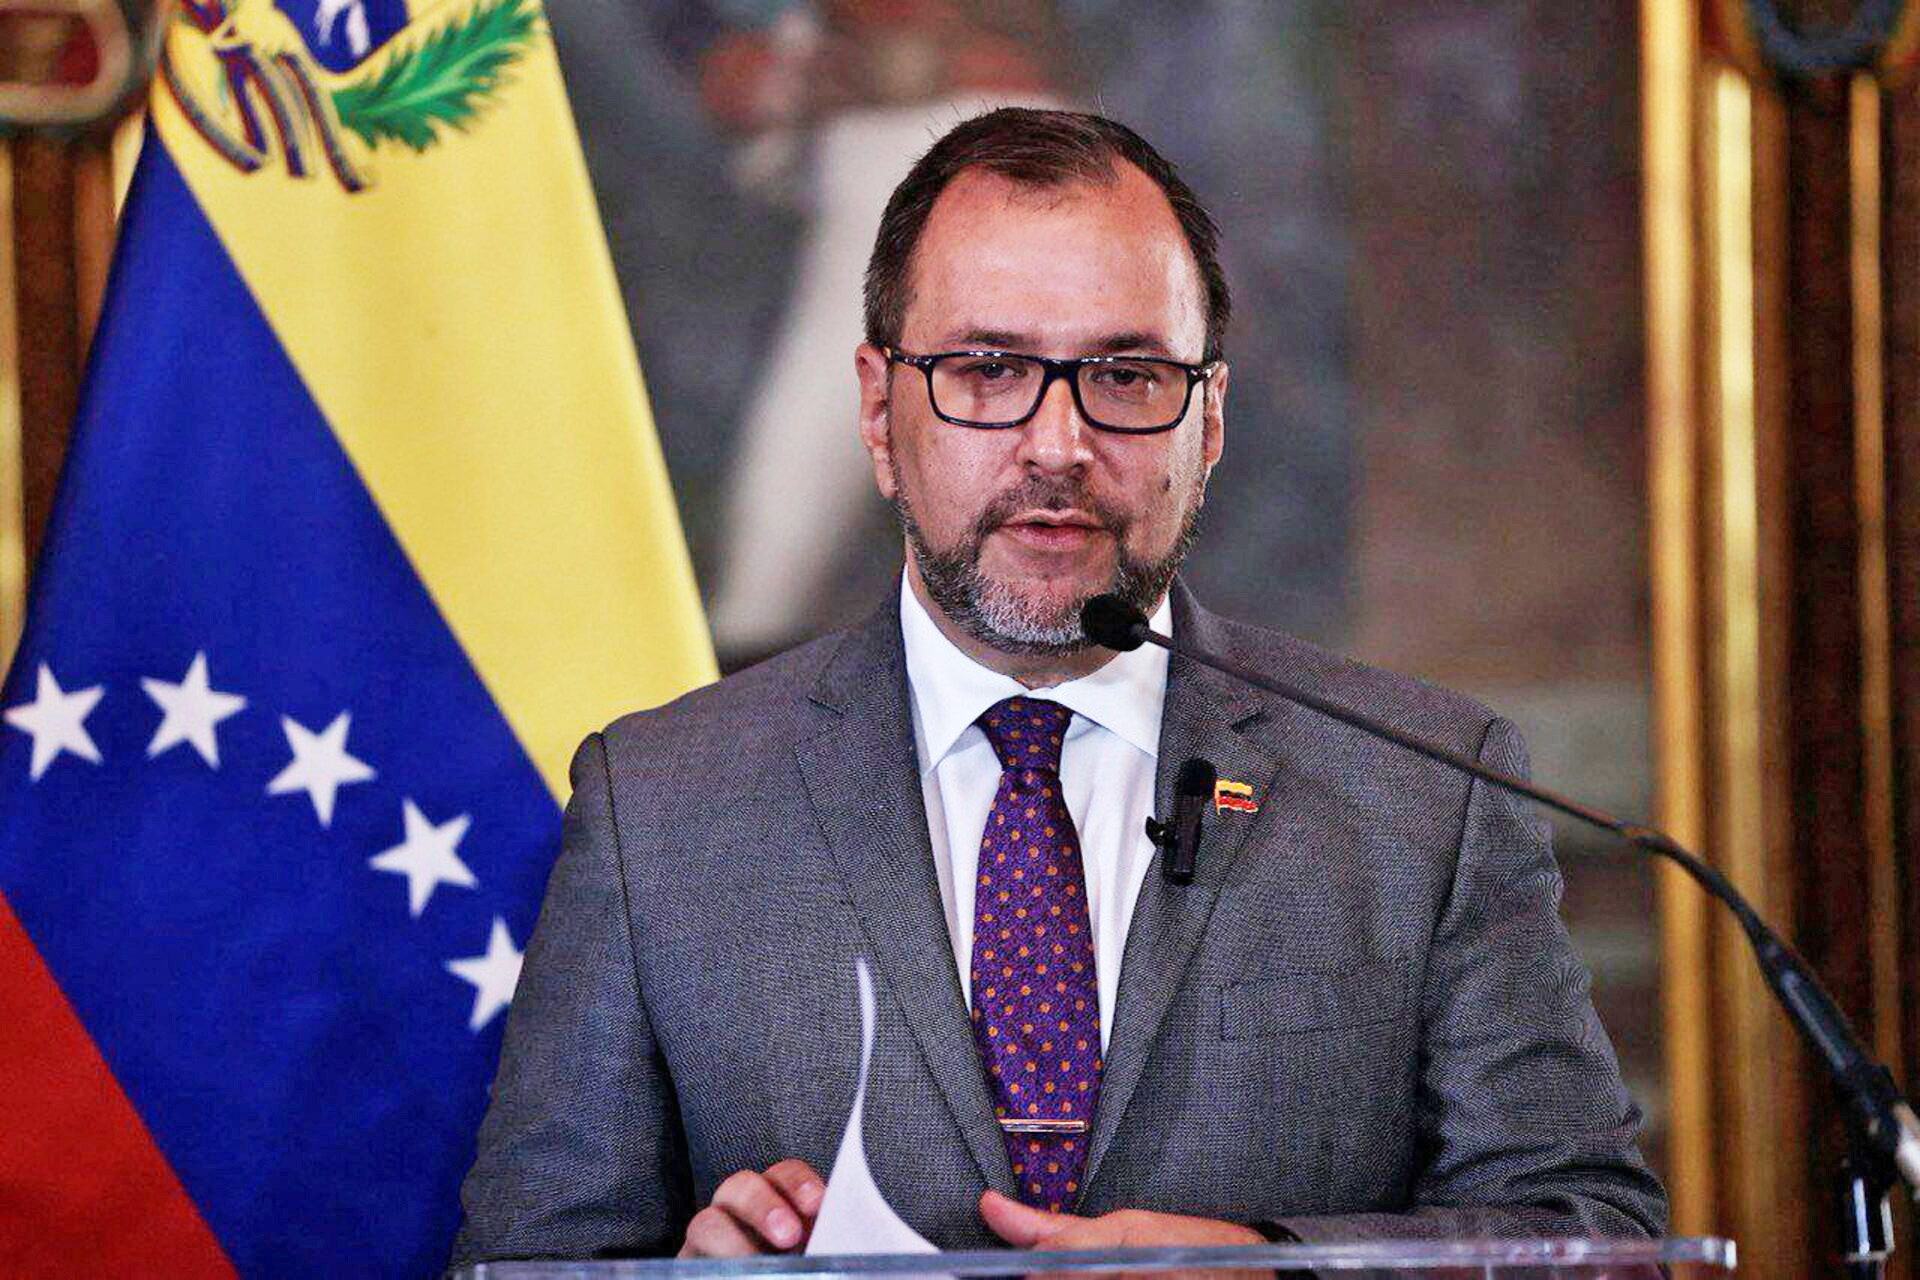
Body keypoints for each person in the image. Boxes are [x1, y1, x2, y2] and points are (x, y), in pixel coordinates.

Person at [449, 108, 1666, 1266]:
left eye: (1127, 376)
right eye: (987, 368)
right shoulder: (659, 807)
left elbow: (1591, 1233)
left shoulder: (1422, 791)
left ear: (1210, 420)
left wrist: (1276, 1270)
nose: (1058, 444)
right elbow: (523, 1266)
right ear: (877, 410)